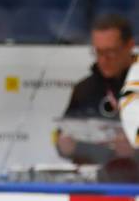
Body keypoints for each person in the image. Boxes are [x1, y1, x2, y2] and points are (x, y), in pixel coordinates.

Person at [56, 14, 136, 165]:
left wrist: (135, 150)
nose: (103, 60)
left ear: (130, 46)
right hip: (95, 181)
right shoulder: (84, 89)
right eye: (98, 52)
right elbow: (65, 132)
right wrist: (65, 147)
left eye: (110, 52)